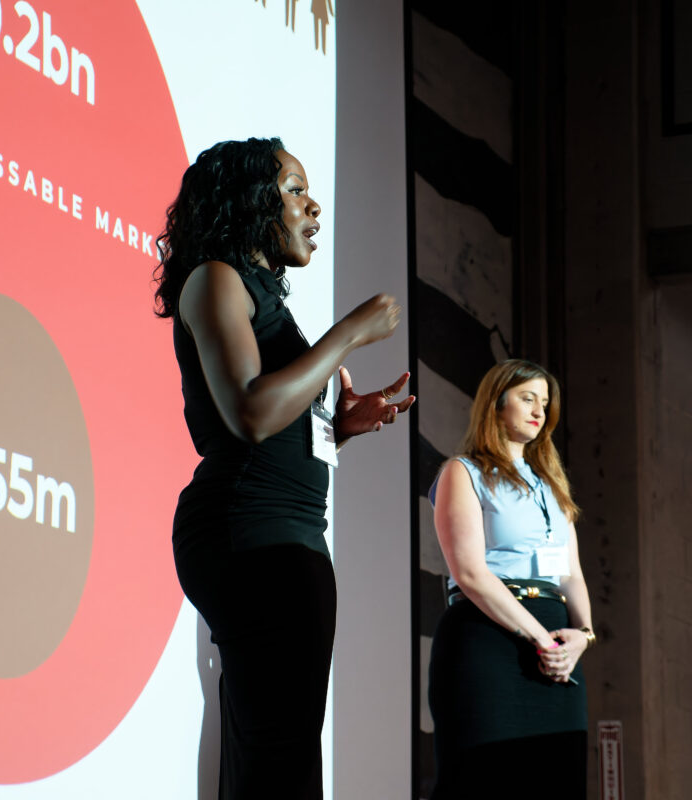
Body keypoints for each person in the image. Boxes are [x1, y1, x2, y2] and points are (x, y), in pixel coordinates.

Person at [153, 137, 414, 799]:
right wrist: (350, 333)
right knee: (282, 764)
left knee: (273, 761)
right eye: (295, 190)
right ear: (249, 201)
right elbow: (249, 413)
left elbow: (279, 417)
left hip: (279, 533)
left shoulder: (259, 295)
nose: (314, 205)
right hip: (253, 534)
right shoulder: (216, 278)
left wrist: (340, 423)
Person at [427, 359, 593, 798]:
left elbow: (571, 573)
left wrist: (583, 635)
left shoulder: (552, 486)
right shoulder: (463, 472)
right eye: (526, 398)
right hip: (489, 638)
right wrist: (543, 639)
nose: (539, 410)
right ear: (496, 404)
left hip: (557, 649)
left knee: (558, 777)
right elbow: (470, 573)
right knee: (484, 778)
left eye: (544, 402)